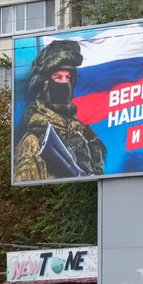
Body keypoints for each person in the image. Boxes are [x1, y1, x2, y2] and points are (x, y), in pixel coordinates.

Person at [14, 39, 106, 181]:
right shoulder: (33, 142)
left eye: (68, 77)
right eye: (58, 77)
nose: (65, 83)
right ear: (44, 84)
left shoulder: (84, 133)